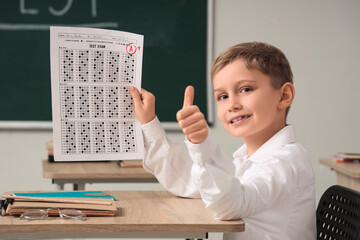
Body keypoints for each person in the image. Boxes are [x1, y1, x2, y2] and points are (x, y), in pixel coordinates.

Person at [129, 42, 316, 240]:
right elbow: (192, 184)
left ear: (284, 95)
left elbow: (229, 205)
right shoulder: (250, 157)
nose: (232, 105)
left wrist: (202, 143)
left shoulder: (285, 162)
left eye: (245, 89)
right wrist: (149, 122)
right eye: (223, 96)